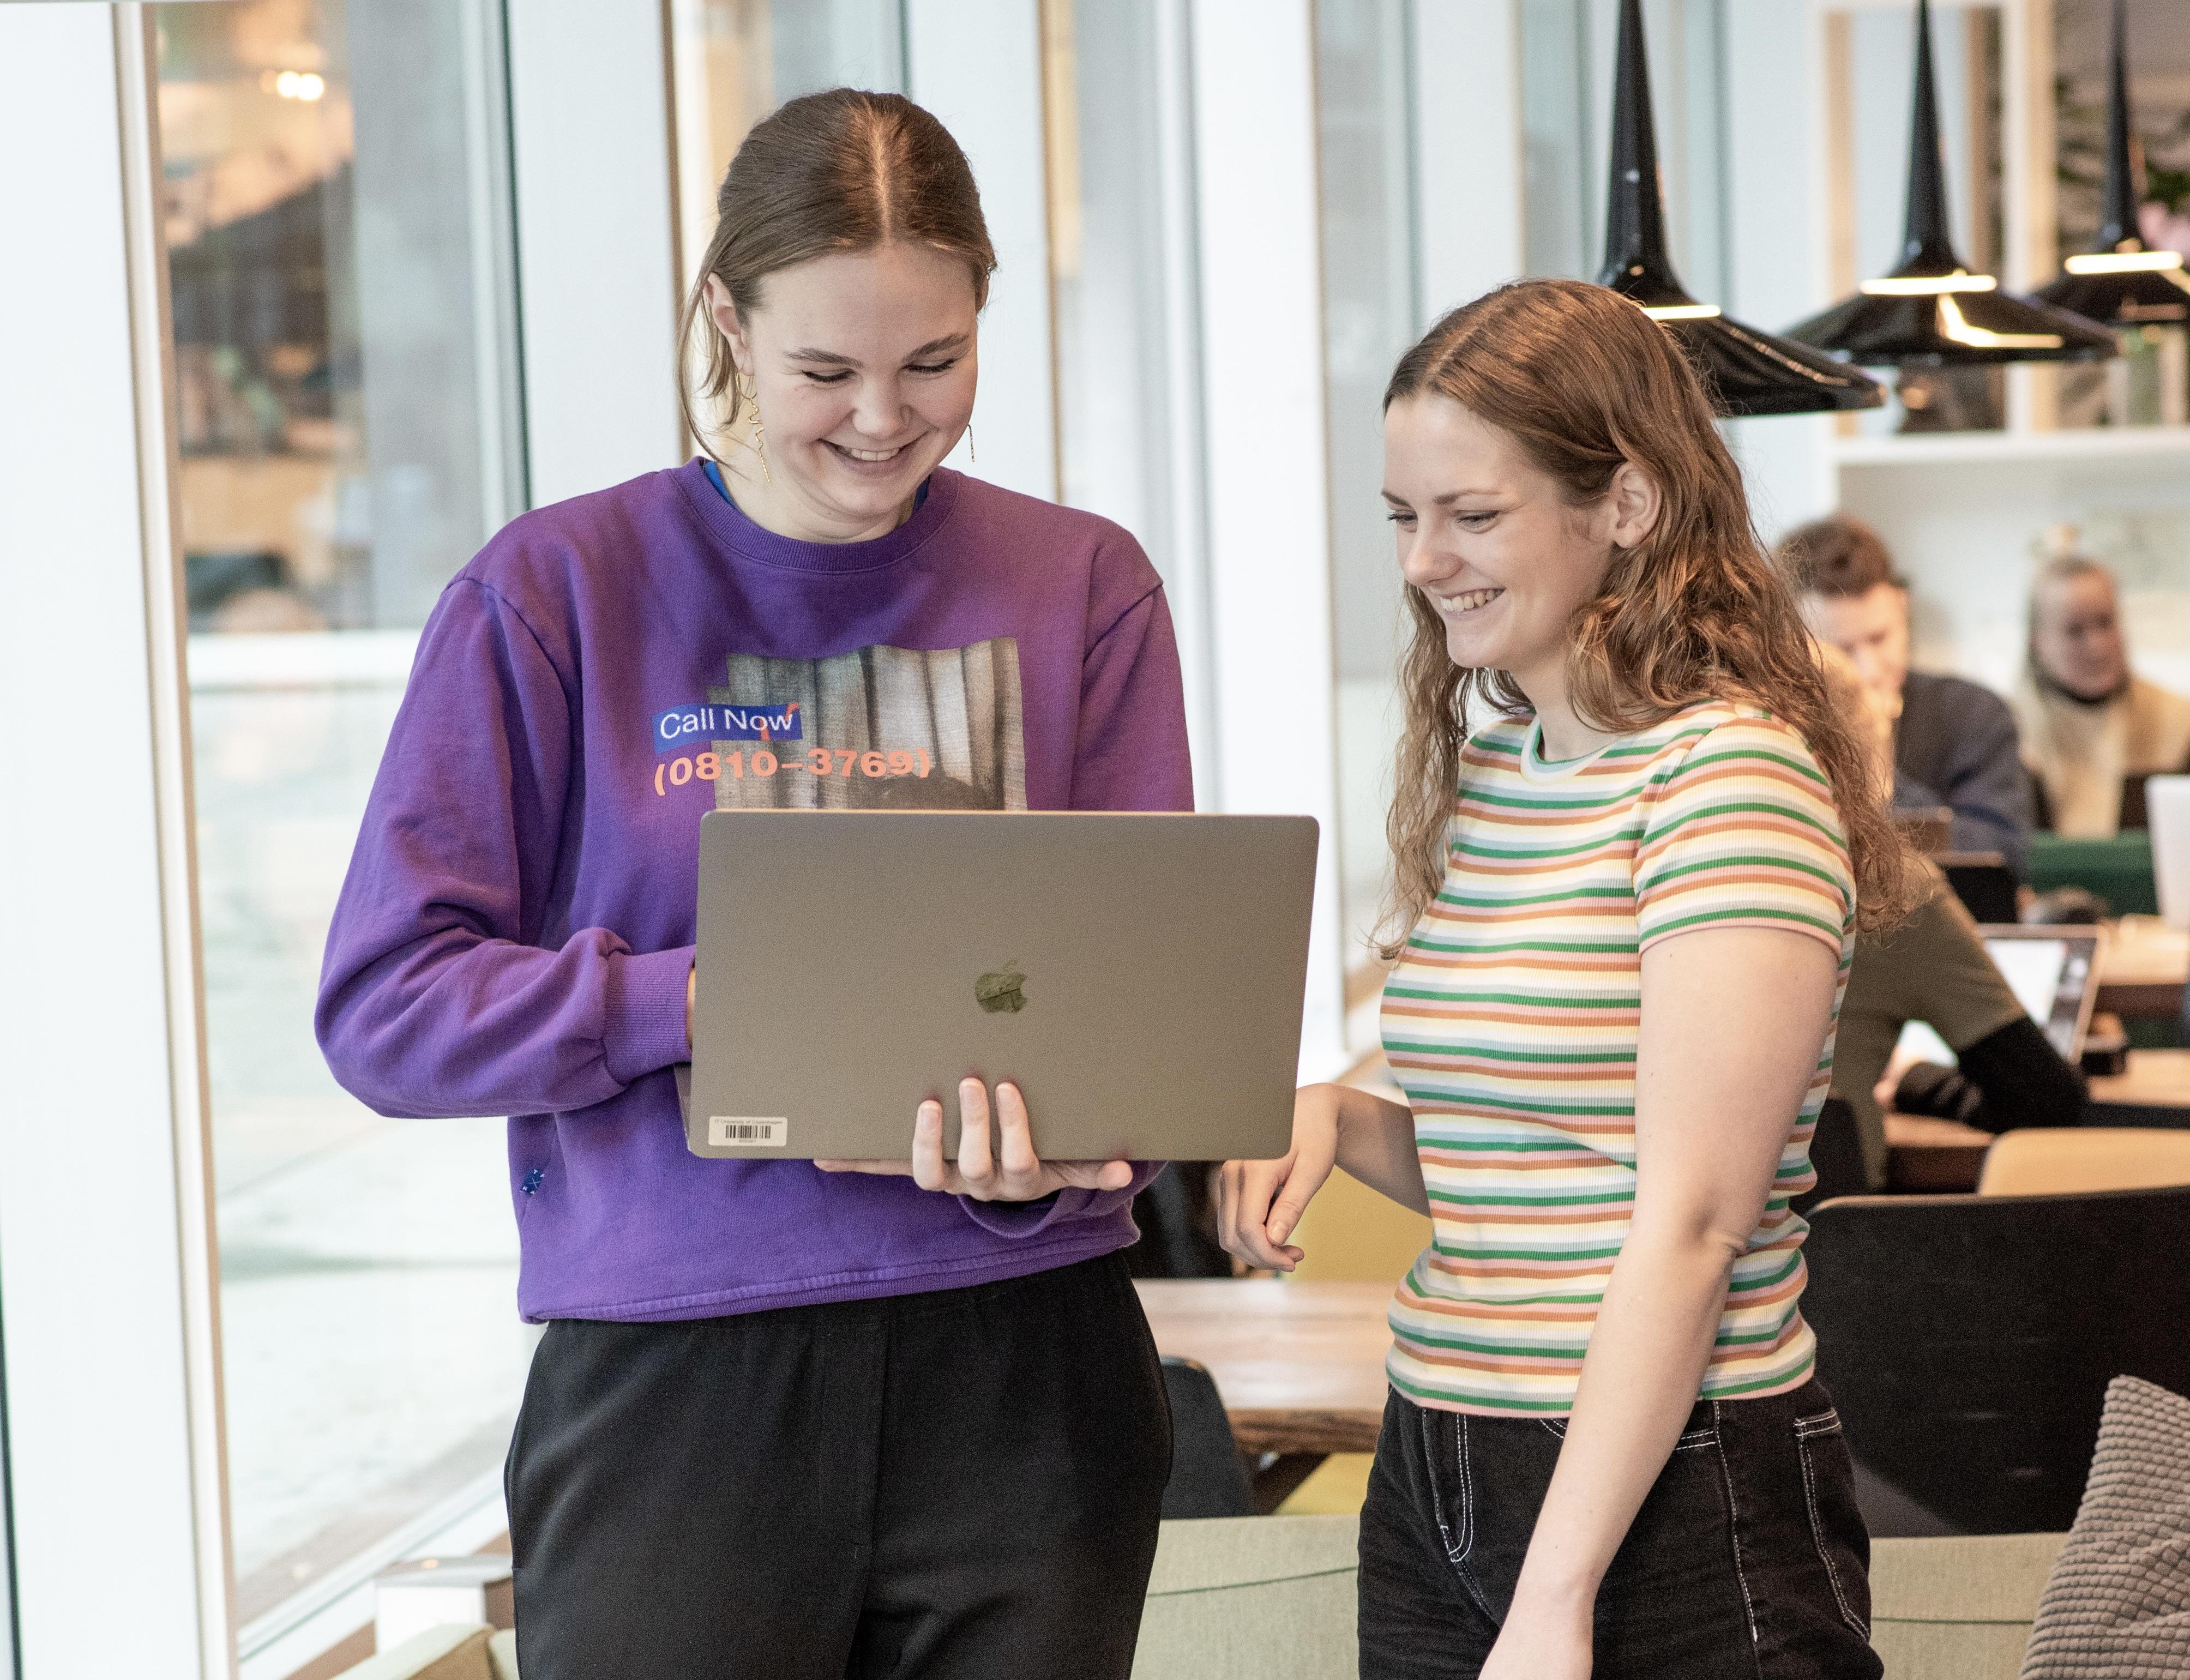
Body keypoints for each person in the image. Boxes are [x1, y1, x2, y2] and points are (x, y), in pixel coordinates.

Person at [317, 89, 1189, 1679]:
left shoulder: (1082, 584)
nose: (882, 416)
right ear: (726, 316)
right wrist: (702, 999)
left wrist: (1058, 1158)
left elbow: (1128, 991)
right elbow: (388, 1009)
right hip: (676, 1385)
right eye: (824, 370)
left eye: (933, 362)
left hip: (1024, 1372)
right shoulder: (554, 591)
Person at [1218, 279, 1913, 1680]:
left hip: (1672, 1478)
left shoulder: (1727, 778)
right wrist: (1334, 1120)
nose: (1423, 561)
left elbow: (1691, 1224)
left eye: (1472, 516)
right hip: (1442, 1452)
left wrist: (1557, 1594)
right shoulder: (1497, 774)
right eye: (1402, 517)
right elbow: (1537, 1168)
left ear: (1628, 505)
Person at [1811, 643, 2085, 1188]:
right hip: (1828, 1244)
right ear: (1864, 757)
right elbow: (2045, 1099)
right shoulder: (1884, 886)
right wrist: (1917, 1081)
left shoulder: (1650, 862)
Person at [1782, 514, 2032, 875]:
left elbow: (2004, 853)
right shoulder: (1781, 731)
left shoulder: (1974, 714)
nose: (1869, 668)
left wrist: (1877, 766)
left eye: (1880, 638)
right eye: (1842, 649)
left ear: (1902, 609)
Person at [2013, 552, 2190, 837]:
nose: (2097, 647)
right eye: (2075, 631)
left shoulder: (2178, 720)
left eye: (2105, 623)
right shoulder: (2006, 731)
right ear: (2038, 641)